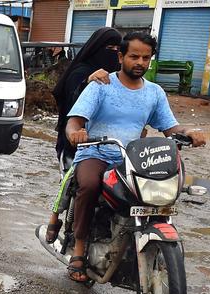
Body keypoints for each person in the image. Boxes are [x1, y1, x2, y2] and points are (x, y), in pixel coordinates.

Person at [63, 31, 206, 282]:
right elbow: (74, 122)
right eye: (134, 56)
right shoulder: (102, 85)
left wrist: (189, 132)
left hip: (132, 157)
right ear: (120, 56)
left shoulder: (154, 93)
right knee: (89, 185)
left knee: (150, 195)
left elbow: (170, 127)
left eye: (145, 57)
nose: (140, 62)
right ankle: (78, 248)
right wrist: (76, 133)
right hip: (97, 152)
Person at [43, 27, 121, 244]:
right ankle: (56, 219)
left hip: (112, 143)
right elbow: (72, 101)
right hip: (76, 141)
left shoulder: (120, 79)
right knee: (75, 179)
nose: (113, 53)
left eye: (117, 49)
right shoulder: (81, 71)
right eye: (109, 48)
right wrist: (87, 81)